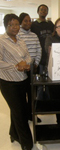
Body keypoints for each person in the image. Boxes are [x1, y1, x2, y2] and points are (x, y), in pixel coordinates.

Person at [0, 13, 33, 150]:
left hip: (23, 80)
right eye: (11, 24)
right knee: (19, 112)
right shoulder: (1, 41)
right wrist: (16, 66)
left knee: (19, 109)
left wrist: (27, 64)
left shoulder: (21, 40)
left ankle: (13, 133)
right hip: (8, 82)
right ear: (6, 25)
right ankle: (26, 143)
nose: (15, 27)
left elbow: (28, 56)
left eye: (17, 24)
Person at [18, 12, 42, 122]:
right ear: (20, 22)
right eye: (25, 21)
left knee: (32, 94)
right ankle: (24, 116)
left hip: (33, 69)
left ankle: (32, 114)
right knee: (22, 95)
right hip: (21, 70)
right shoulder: (17, 35)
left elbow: (39, 50)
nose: (28, 23)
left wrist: (36, 63)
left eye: (29, 20)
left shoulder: (34, 35)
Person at [31, 4, 54, 100]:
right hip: (40, 57)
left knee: (50, 81)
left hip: (50, 57)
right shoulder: (33, 25)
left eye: (45, 10)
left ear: (47, 12)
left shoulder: (50, 24)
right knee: (40, 82)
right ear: (38, 11)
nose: (43, 11)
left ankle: (49, 101)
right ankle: (40, 102)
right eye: (41, 9)